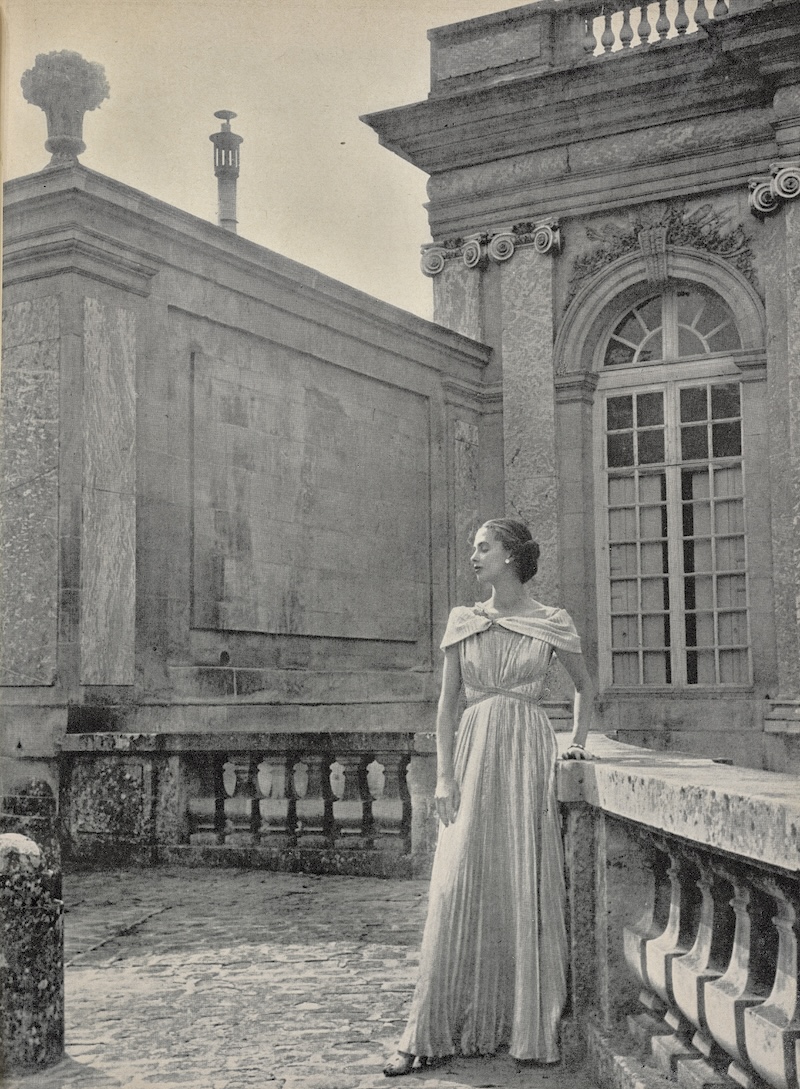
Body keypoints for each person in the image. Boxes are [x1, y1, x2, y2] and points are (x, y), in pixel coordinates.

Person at [384, 518, 596, 1077]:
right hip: (474, 753)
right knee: (455, 882)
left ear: (509, 556)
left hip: (528, 753)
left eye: (483, 547)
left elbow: (584, 686)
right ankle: (423, 1031)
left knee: (520, 878)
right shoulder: (464, 620)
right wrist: (446, 778)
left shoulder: (551, 622)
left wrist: (575, 744)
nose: (473, 557)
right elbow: (447, 706)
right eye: (474, 549)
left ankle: (520, 1023)